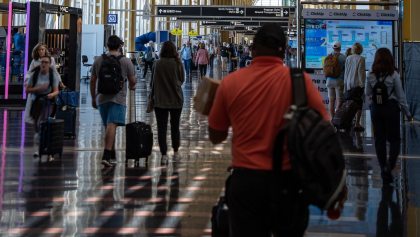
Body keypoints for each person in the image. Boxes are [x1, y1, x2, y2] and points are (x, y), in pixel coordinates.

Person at [208, 23, 329, 237]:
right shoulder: (300, 83)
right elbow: (323, 128)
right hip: (288, 182)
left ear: (253, 49)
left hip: (246, 183)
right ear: (284, 49)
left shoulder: (231, 83)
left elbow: (216, 136)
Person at [365, 48, 412, 183]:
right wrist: (407, 114)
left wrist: (372, 103)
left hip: (376, 109)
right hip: (391, 108)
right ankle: (389, 167)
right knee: (394, 140)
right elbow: (401, 96)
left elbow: (367, 93)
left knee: (379, 139)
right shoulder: (394, 75)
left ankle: (382, 167)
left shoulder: (371, 74)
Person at [90, 35, 136, 167]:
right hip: (118, 98)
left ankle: (112, 153)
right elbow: (132, 82)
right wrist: (133, 86)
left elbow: (93, 80)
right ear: (120, 46)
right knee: (112, 125)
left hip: (102, 98)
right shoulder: (126, 61)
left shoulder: (99, 60)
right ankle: (106, 155)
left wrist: (93, 97)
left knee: (109, 126)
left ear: (107, 46)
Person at [151, 41, 185, 160]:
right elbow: (182, 79)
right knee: (175, 126)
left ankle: (164, 154)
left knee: (162, 127)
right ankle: (175, 151)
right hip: (176, 99)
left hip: (160, 100)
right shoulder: (178, 63)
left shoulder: (157, 63)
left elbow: (152, 82)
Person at [24, 55, 60, 160]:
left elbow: (56, 90)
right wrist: (38, 88)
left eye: (46, 62)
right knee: (37, 125)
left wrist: (51, 95)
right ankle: (38, 147)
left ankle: (47, 150)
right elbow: (27, 90)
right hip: (36, 102)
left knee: (44, 123)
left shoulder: (53, 75)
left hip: (47, 102)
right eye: (42, 62)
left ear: (50, 64)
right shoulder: (34, 75)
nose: (43, 64)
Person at [344, 42, 366, 131]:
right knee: (358, 104)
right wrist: (362, 85)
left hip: (349, 84)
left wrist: (345, 84)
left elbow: (346, 72)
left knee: (349, 104)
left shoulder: (348, 58)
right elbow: (361, 73)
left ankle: (349, 121)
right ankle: (357, 123)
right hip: (357, 85)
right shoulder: (361, 59)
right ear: (360, 50)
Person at [325, 41, 346, 118]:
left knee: (331, 101)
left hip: (329, 82)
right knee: (339, 101)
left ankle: (332, 119)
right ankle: (337, 118)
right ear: (340, 48)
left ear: (333, 48)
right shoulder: (343, 58)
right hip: (338, 82)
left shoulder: (328, 56)